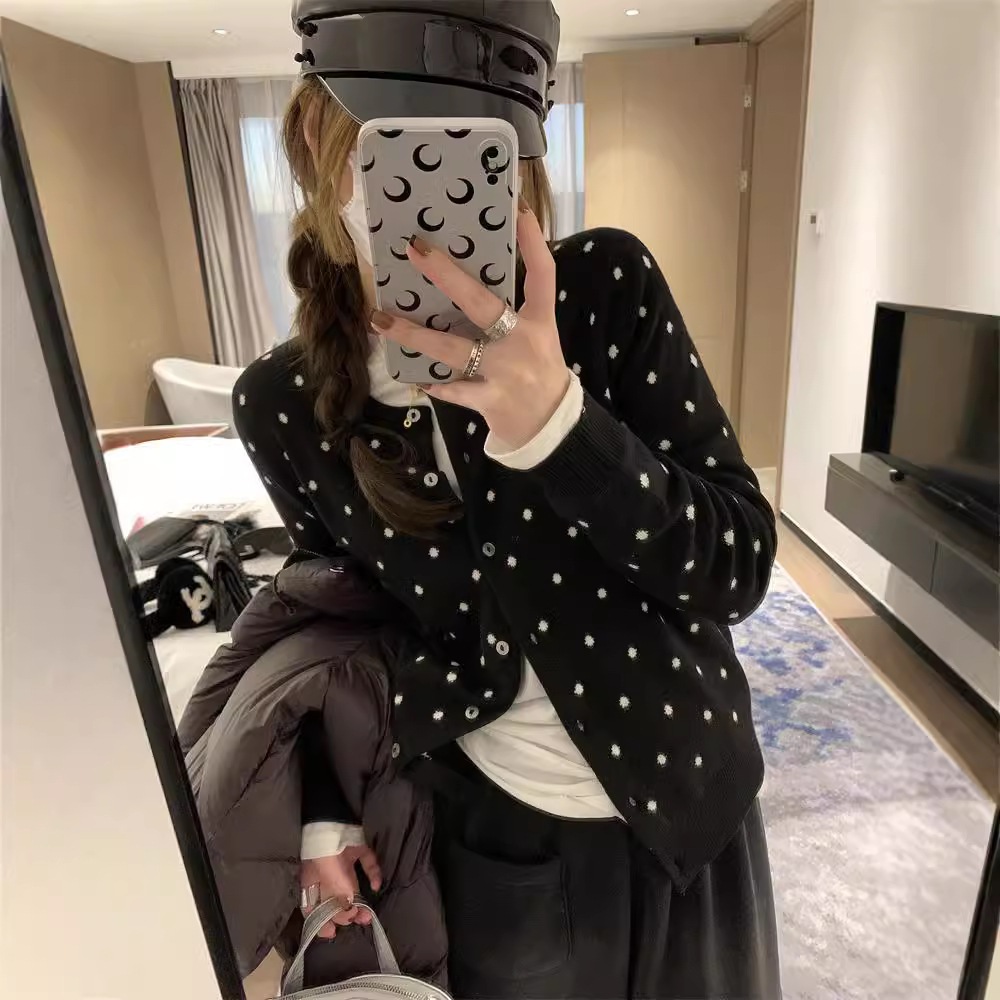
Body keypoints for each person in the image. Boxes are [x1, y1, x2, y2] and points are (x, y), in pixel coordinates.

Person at [234, 1, 781, 996]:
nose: (427, 188)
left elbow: (738, 565)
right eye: (394, 146)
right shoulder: (283, 403)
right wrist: (325, 809)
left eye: (470, 152)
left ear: (518, 158)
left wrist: (560, 425)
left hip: (694, 796)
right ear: (316, 137)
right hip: (499, 836)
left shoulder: (605, 290)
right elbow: (329, 624)